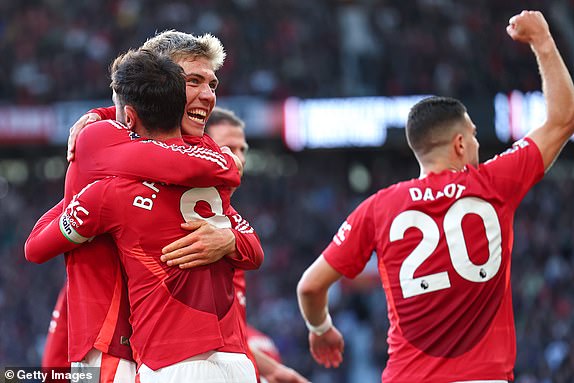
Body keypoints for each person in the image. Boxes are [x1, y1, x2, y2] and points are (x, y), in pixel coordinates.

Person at [297, 10, 574, 382]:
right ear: (460, 143)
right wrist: (542, 40)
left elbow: (310, 286)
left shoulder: (378, 208)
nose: (477, 143)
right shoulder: (493, 183)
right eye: (474, 135)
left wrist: (321, 329)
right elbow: (562, 118)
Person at [26, 49, 262, 382]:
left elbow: (35, 247)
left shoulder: (111, 180)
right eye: (193, 81)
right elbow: (254, 244)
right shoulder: (204, 163)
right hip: (112, 347)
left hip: (157, 355)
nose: (207, 95)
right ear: (171, 88)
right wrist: (223, 162)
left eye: (212, 84)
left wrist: (230, 240)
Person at [198, 107, 309, 383]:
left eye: (242, 149)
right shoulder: (181, 220)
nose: (238, 159)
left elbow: (221, 335)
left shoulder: (232, 225)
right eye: (227, 148)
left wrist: (273, 371)